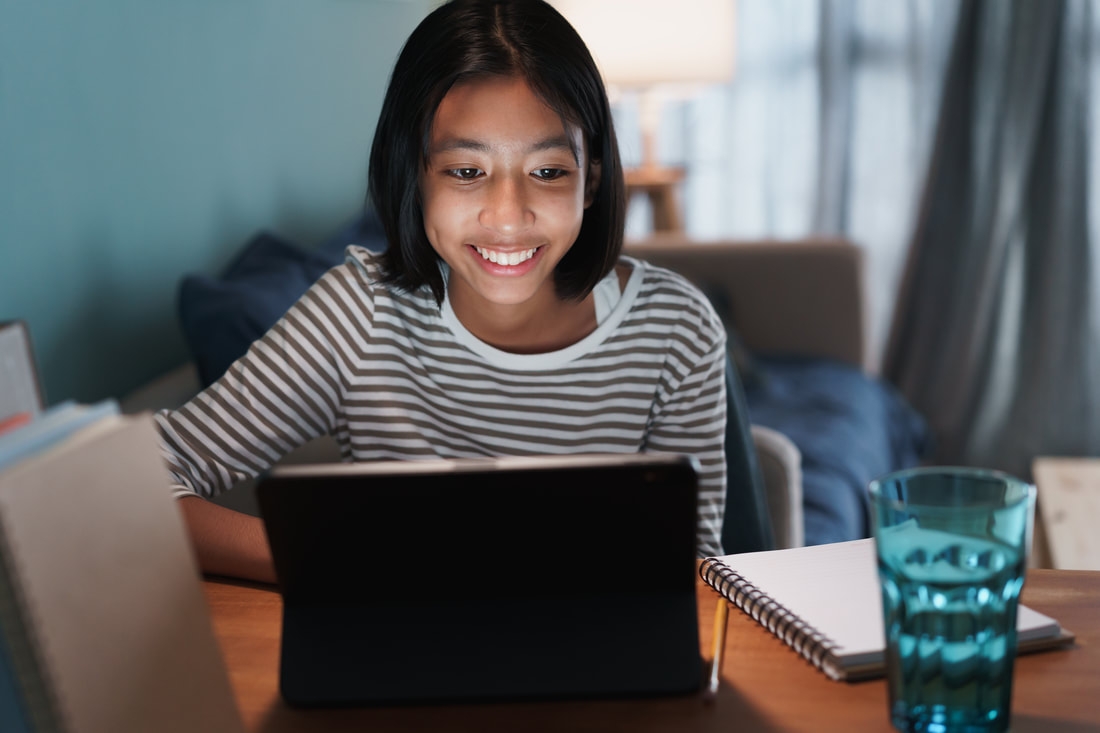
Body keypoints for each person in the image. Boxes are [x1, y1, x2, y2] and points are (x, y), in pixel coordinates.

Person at [156, 0, 728, 584]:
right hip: (399, 655)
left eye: (549, 171)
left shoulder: (676, 328)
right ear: (415, 176)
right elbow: (140, 483)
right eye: (465, 171)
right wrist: (330, 554)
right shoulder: (360, 314)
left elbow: (696, 569)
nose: (508, 218)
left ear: (592, 182)